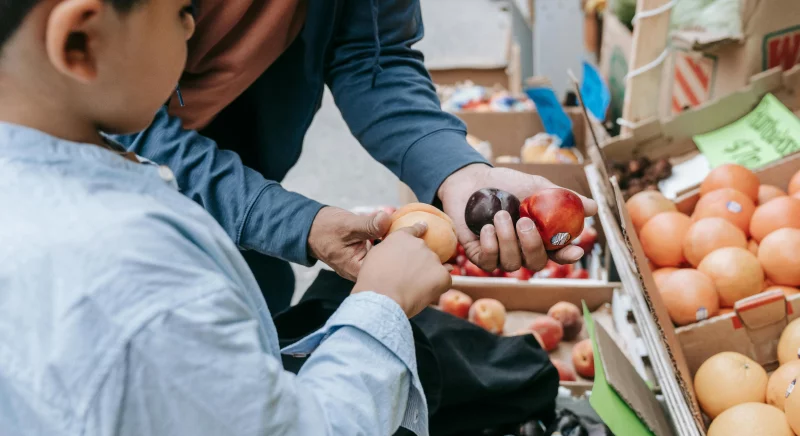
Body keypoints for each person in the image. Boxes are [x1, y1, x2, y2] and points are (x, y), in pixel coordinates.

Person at [0, 1, 452, 436]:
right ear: (81, 40)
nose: (194, 28)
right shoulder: (133, 281)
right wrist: (382, 304)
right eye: (180, 12)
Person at [116, 0, 598, 313]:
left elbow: (375, 55)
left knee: (256, 312)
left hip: (243, 167)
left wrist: (457, 171)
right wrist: (296, 224)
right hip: (111, 182)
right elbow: (115, 120)